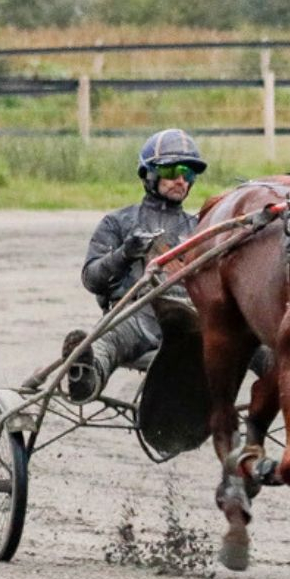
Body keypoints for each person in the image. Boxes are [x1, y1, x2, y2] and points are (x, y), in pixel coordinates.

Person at [64, 129, 207, 400]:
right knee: (108, 337)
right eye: (172, 171)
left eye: (188, 173)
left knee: (250, 338)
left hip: (192, 324)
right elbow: (92, 279)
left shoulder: (201, 227)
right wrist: (125, 253)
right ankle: (86, 377)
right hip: (137, 319)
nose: (181, 180)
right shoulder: (117, 223)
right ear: (150, 174)